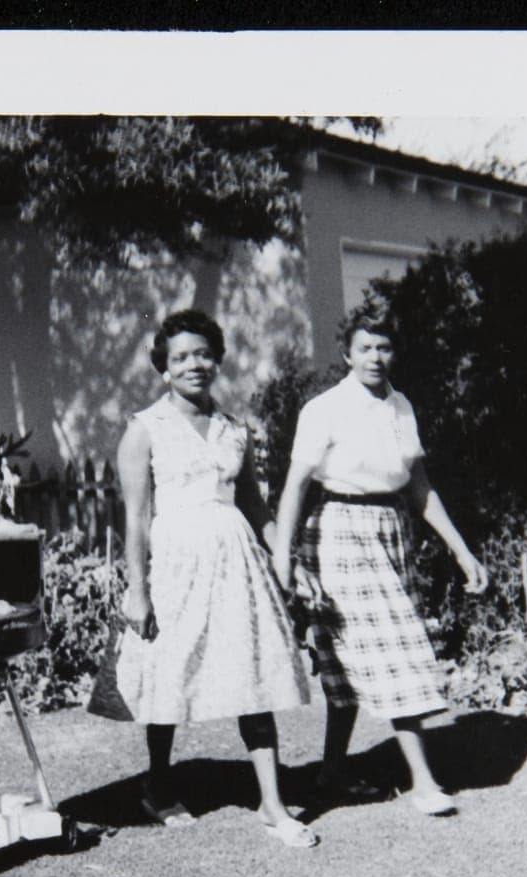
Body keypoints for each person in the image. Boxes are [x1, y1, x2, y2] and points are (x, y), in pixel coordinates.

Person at [115, 309, 316, 847]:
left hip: (237, 566)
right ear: (163, 368)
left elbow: (254, 505)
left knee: (254, 674)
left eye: (203, 354)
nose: (194, 365)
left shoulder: (234, 430)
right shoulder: (143, 430)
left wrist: (288, 560)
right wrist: (137, 589)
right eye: (180, 357)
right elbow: (136, 517)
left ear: (217, 360)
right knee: (169, 674)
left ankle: (272, 804)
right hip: (176, 564)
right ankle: (158, 785)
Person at [272, 319, 487, 816]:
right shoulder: (324, 409)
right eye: (364, 348)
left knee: (358, 658)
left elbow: (419, 486)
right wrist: (283, 559)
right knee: (397, 650)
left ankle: (331, 770)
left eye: (384, 347)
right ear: (347, 355)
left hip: (393, 531)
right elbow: (295, 486)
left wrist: (461, 550)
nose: (374, 357)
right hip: (340, 532)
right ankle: (424, 782)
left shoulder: (401, 406)